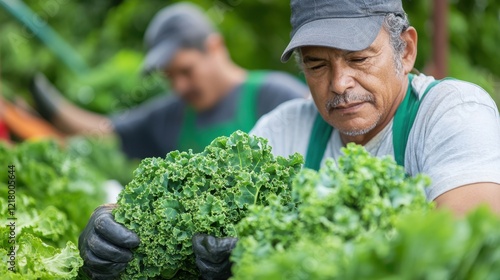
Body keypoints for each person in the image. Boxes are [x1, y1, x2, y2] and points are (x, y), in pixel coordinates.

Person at [78, 0, 500, 279]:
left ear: (405, 51)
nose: (339, 83)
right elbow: (198, 197)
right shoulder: (286, 128)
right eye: (316, 65)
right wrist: (119, 220)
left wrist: (286, 251)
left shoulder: (451, 112)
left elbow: (468, 245)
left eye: (358, 59)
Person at [32, 2, 308, 158]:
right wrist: (43, 100)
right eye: (170, 77)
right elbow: (105, 133)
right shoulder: (170, 114)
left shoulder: (275, 94)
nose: (179, 86)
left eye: (186, 71)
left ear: (214, 47)